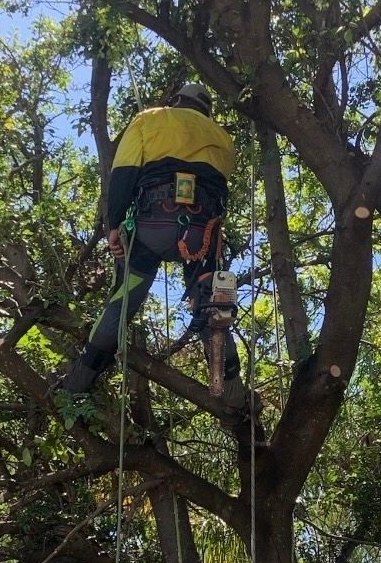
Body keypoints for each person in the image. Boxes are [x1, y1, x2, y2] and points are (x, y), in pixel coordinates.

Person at [58, 82, 246, 408]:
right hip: (201, 234)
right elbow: (219, 187)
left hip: (150, 225)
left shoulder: (150, 118)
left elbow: (123, 174)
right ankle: (231, 391)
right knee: (212, 306)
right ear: (206, 110)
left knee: (121, 302)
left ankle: (76, 385)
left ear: (176, 101)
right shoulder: (222, 138)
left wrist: (113, 225)